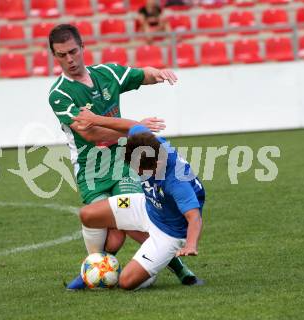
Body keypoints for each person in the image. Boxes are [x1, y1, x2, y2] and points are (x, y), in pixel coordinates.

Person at [47, 24, 195, 290]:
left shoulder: (107, 74)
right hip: (91, 168)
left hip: (125, 161)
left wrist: (158, 73)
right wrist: (134, 127)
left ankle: (178, 267)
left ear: (82, 48)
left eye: (72, 52)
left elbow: (141, 75)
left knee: (135, 218)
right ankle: (95, 265)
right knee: (112, 238)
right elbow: (91, 134)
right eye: (61, 55)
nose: (69, 60)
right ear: (54, 56)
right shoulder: (59, 94)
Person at [73, 111, 205, 290]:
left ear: (157, 162)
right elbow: (131, 125)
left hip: (168, 233)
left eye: (142, 170)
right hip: (146, 205)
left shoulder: (177, 182)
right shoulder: (148, 142)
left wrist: (190, 244)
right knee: (88, 214)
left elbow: (194, 217)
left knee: (126, 282)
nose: (139, 174)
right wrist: (95, 120)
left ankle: (153, 267)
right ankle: (95, 265)